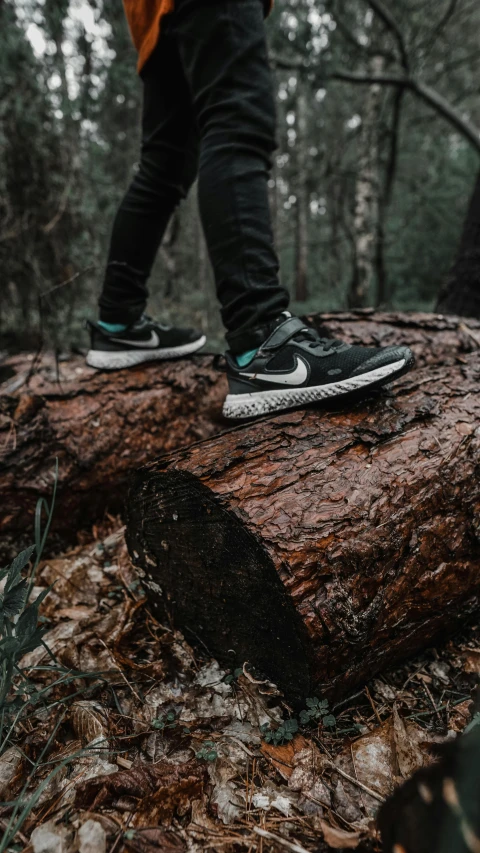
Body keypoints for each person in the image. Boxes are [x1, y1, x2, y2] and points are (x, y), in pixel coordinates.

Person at [86, 0, 414, 418]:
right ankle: (262, 344)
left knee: (163, 169)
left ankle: (118, 324)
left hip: (150, 14)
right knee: (238, 123)